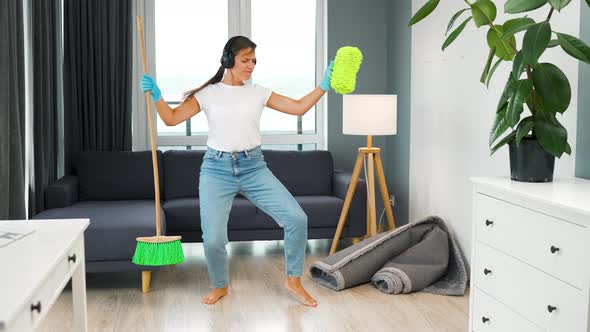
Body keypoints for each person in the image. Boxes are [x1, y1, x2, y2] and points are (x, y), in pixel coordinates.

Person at [140, 35, 334, 307]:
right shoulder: (208, 94)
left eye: (254, 60)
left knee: (296, 219)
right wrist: (158, 97)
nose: (251, 65)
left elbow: (299, 107)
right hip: (215, 170)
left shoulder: (259, 92)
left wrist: (323, 86)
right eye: (245, 60)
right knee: (214, 239)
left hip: (254, 166)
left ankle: (293, 280)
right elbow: (171, 119)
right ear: (228, 60)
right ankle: (220, 285)